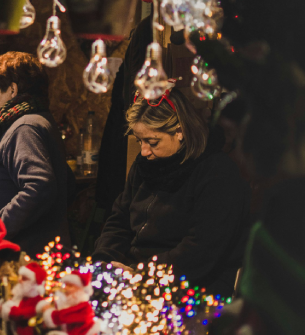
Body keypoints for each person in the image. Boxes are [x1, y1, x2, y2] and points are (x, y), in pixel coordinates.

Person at [91, 84, 250, 296]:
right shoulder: (144, 165)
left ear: (180, 132)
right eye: (140, 141)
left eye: (152, 142)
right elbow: (119, 219)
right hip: (136, 276)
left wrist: (141, 276)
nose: (144, 151)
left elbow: (201, 250)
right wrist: (108, 260)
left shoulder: (217, 172)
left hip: (190, 285)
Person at [0, 51, 73, 256]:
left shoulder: (25, 127)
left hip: (20, 259)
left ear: (12, 90)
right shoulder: (31, 121)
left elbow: (39, 185)